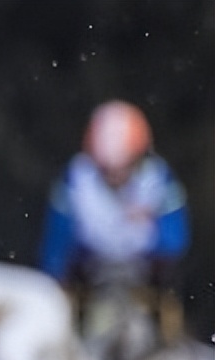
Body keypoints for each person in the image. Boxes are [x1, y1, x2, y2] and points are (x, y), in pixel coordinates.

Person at [39, 99, 191, 344]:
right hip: (90, 279)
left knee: (166, 331)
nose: (114, 176)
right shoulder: (75, 180)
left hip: (145, 280)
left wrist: (152, 238)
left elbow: (176, 239)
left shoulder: (159, 180)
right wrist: (58, 278)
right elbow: (57, 239)